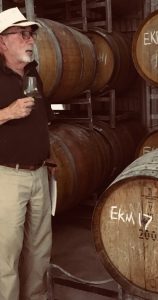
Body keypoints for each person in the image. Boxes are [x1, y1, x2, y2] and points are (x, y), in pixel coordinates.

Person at [0, 7, 53, 300]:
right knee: (6, 253)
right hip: (7, 176)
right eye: (22, 33)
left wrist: (47, 153)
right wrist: (8, 112)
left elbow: (42, 121)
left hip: (39, 173)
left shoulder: (33, 74)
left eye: (30, 33)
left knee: (39, 248)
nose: (30, 38)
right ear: (2, 41)